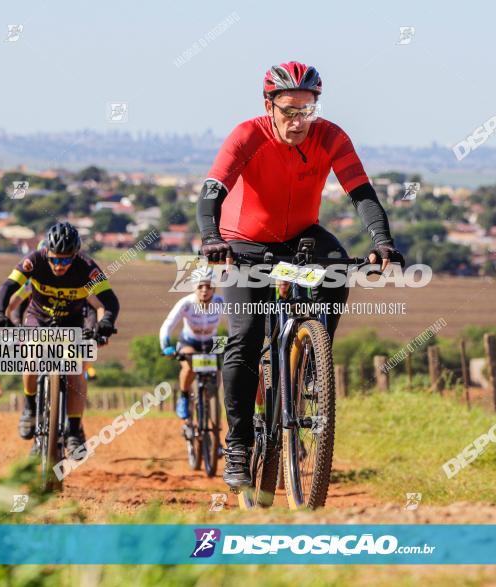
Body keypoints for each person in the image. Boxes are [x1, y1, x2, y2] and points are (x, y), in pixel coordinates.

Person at [196, 61, 404, 489]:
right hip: (243, 241)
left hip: (300, 236)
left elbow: (361, 194)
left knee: (338, 266)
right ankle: (238, 444)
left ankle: (314, 354)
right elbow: (210, 193)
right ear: (268, 104)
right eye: (289, 110)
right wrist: (211, 237)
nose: (298, 121)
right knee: (247, 333)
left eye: (307, 110)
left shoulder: (331, 136)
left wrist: (383, 242)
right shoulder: (247, 135)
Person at [0, 222, 119, 457]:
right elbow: (8, 287)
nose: (59, 265)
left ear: (75, 255)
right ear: (46, 252)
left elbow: (108, 301)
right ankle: (30, 408)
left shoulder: (86, 267)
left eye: (65, 260)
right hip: (38, 319)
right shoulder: (35, 260)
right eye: (54, 259)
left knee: (75, 372)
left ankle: (72, 430)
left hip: (72, 324)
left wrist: (105, 324)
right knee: (31, 359)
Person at [160, 267, 225, 419]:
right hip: (189, 341)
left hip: (213, 340)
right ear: (194, 287)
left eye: (208, 286)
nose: (204, 290)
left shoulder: (221, 302)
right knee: (189, 367)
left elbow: (235, 324)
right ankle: (183, 397)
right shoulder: (186, 303)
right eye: (200, 286)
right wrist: (166, 346)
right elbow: (167, 326)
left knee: (218, 378)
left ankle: (215, 428)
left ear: (214, 287)